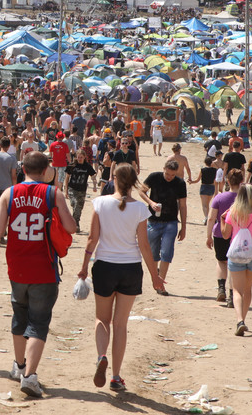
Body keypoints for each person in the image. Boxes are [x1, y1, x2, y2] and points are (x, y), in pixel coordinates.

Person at [0, 151, 77, 398]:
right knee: (39, 321)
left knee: (19, 316)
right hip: (43, 265)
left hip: (17, 266)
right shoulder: (54, 194)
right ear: (45, 171)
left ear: (23, 169)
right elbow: (71, 227)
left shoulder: (9, 194)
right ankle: (30, 376)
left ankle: (19, 366)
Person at [78, 163, 164, 392]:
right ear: (134, 181)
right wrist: (155, 276)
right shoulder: (139, 209)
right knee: (121, 324)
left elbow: (91, 239)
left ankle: (101, 355)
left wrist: (84, 267)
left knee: (101, 319)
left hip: (104, 266)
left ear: (114, 178)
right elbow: (144, 246)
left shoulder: (100, 203)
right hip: (130, 268)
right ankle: (116, 376)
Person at [219, 183, 252, 335]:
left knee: (237, 290)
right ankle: (243, 319)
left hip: (236, 255)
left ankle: (239, 320)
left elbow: (225, 235)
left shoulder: (232, 213)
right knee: (247, 289)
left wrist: (222, 220)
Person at [142, 160, 188, 296]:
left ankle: (160, 285)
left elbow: (183, 206)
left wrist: (184, 227)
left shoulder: (180, 183)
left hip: (171, 222)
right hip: (153, 221)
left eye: (172, 175)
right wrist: (151, 203)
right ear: (164, 169)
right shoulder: (154, 177)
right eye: (167, 174)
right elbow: (141, 191)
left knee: (167, 253)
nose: (169, 177)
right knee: (153, 253)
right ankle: (156, 278)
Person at [206, 169, 245, 307]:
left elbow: (211, 218)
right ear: (242, 181)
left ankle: (221, 288)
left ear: (227, 181)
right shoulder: (244, 199)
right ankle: (231, 296)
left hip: (220, 233)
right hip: (238, 235)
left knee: (221, 261)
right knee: (233, 265)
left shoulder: (219, 198)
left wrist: (208, 236)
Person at [65, 149, 95, 230]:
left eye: (81, 157)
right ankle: (75, 222)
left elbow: (93, 176)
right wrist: (66, 190)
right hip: (72, 188)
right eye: (78, 157)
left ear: (84, 157)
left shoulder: (87, 166)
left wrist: (95, 185)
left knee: (79, 207)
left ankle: (76, 223)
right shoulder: (72, 165)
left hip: (82, 190)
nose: (80, 159)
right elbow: (67, 178)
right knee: (74, 203)